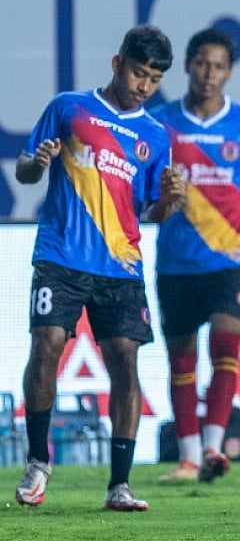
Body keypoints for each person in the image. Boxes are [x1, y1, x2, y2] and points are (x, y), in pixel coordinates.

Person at [14, 25, 187, 511]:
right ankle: (37, 461)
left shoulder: (155, 135)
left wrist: (171, 202)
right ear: (117, 64)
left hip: (121, 265)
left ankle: (120, 484)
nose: (144, 86)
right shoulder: (69, 107)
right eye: (138, 72)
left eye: (154, 79)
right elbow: (26, 168)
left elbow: (153, 210)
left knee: (126, 366)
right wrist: (39, 162)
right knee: (46, 345)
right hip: (62, 254)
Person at [150, 27, 240, 484]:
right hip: (176, 261)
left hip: (231, 260)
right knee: (182, 359)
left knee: (226, 345)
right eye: (202, 64)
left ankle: (213, 447)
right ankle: (188, 458)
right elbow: (146, 192)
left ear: (230, 72)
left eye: (219, 66)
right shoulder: (160, 123)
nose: (209, 74)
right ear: (188, 65)